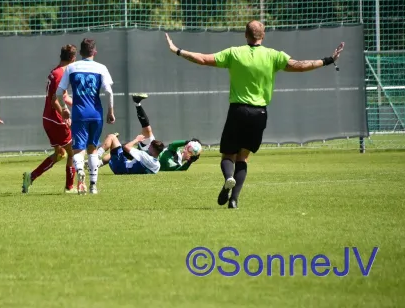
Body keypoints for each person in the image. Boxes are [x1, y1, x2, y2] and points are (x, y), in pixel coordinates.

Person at [165, 20, 344, 209]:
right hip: (259, 113)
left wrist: (177, 50)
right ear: (263, 35)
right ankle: (234, 199)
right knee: (243, 157)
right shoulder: (273, 55)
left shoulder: (234, 53)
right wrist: (327, 60)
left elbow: (202, 59)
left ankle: (228, 177)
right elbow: (300, 65)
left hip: (238, 110)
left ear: (245, 35)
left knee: (228, 155)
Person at [55, 38, 115, 194]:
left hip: (79, 113)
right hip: (96, 113)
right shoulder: (101, 68)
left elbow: (59, 92)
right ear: (94, 52)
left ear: (80, 52)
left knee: (78, 150)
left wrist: (64, 109)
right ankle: (93, 186)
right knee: (92, 149)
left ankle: (80, 171)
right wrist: (110, 111)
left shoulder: (72, 67)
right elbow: (109, 92)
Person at [22, 44, 77, 194]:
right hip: (56, 119)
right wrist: (64, 113)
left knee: (60, 153)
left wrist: (78, 104)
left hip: (48, 118)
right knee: (73, 152)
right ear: (73, 58)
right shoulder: (61, 74)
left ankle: (30, 177)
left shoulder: (55, 72)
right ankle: (69, 187)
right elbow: (55, 101)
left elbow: (63, 96)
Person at [126, 93, 201, 172]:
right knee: (147, 129)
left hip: (149, 162)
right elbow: (173, 144)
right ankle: (137, 103)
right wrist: (188, 142)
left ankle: (120, 152)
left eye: (190, 152)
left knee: (125, 155)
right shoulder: (175, 151)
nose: (187, 150)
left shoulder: (178, 165)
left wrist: (189, 162)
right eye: (188, 148)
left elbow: (179, 171)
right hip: (150, 150)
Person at [98, 132, 165, 175]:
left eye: (150, 146)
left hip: (121, 167)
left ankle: (97, 155)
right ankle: (97, 164)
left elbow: (126, 147)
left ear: (153, 150)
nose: (148, 147)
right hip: (126, 169)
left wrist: (137, 139)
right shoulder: (157, 165)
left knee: (111, 136)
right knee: (116, 151)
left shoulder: (144, 156)